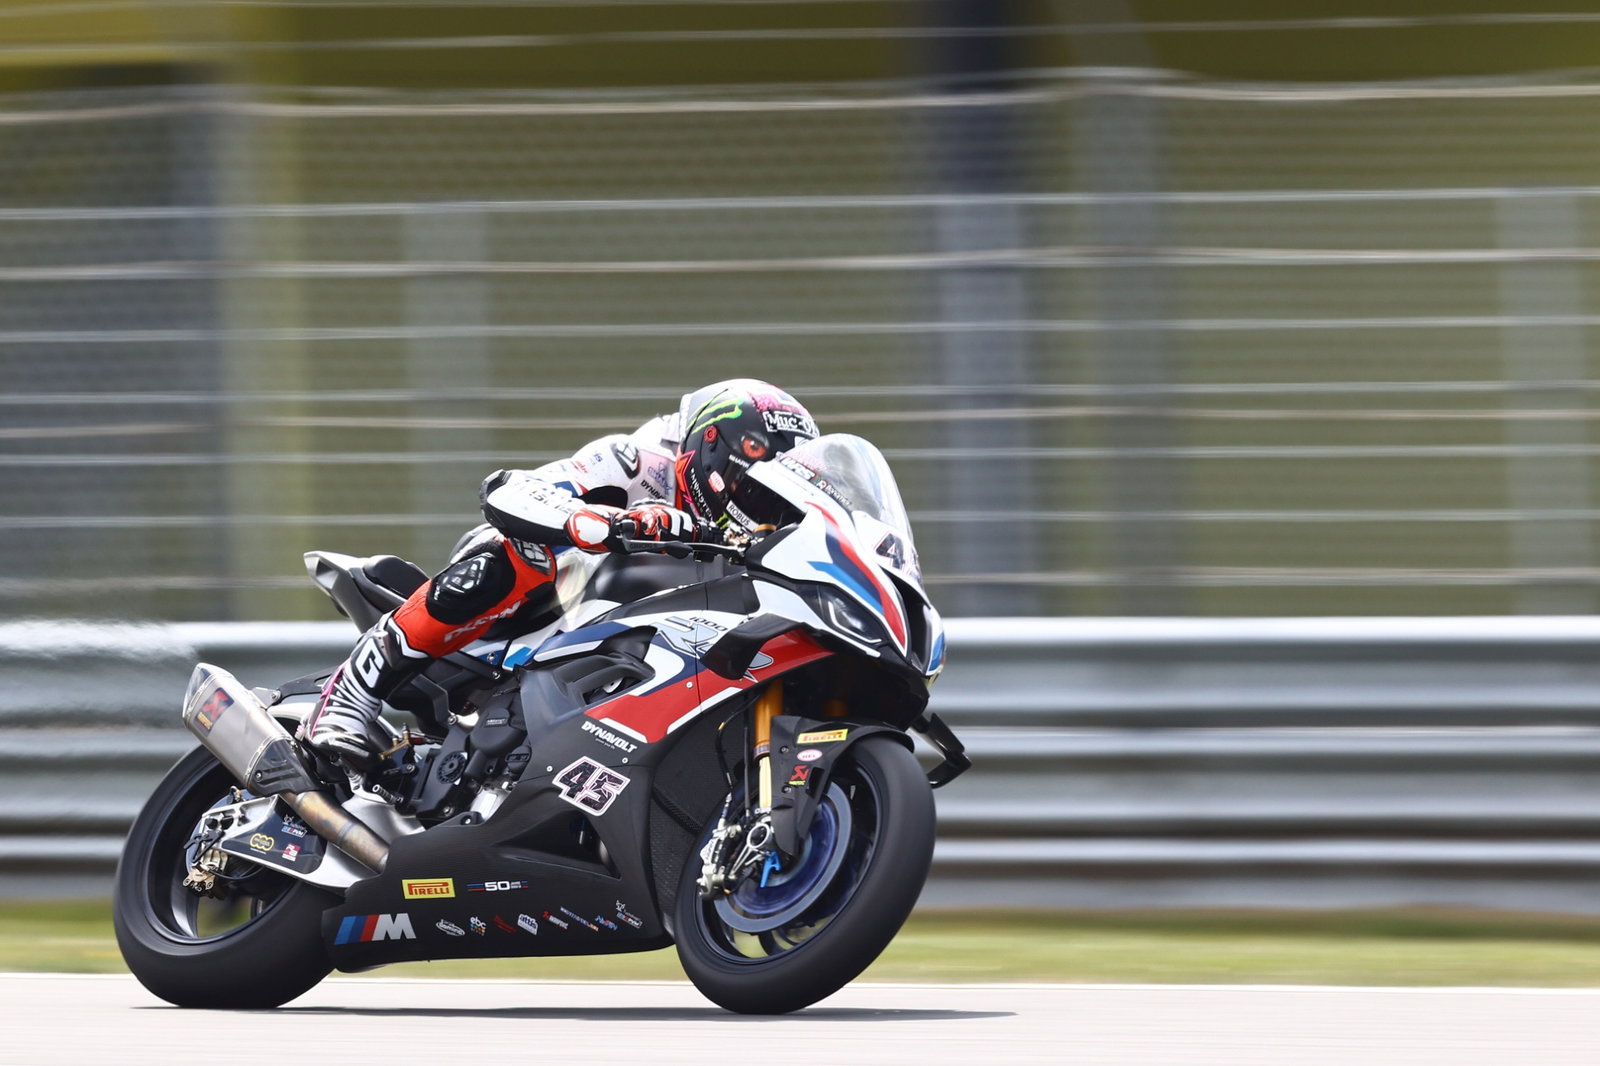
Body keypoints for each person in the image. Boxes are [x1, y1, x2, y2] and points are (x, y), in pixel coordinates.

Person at [301, 378, 820, 769]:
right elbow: (508, 491)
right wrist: (609, 523)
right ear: (711, 445)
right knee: (532, 557)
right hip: (538, 610)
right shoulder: (639, 463)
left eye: (772, 495)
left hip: (635, 654)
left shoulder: (755, 543)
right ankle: (349, 697)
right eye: (750, 482)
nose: (757, 504)